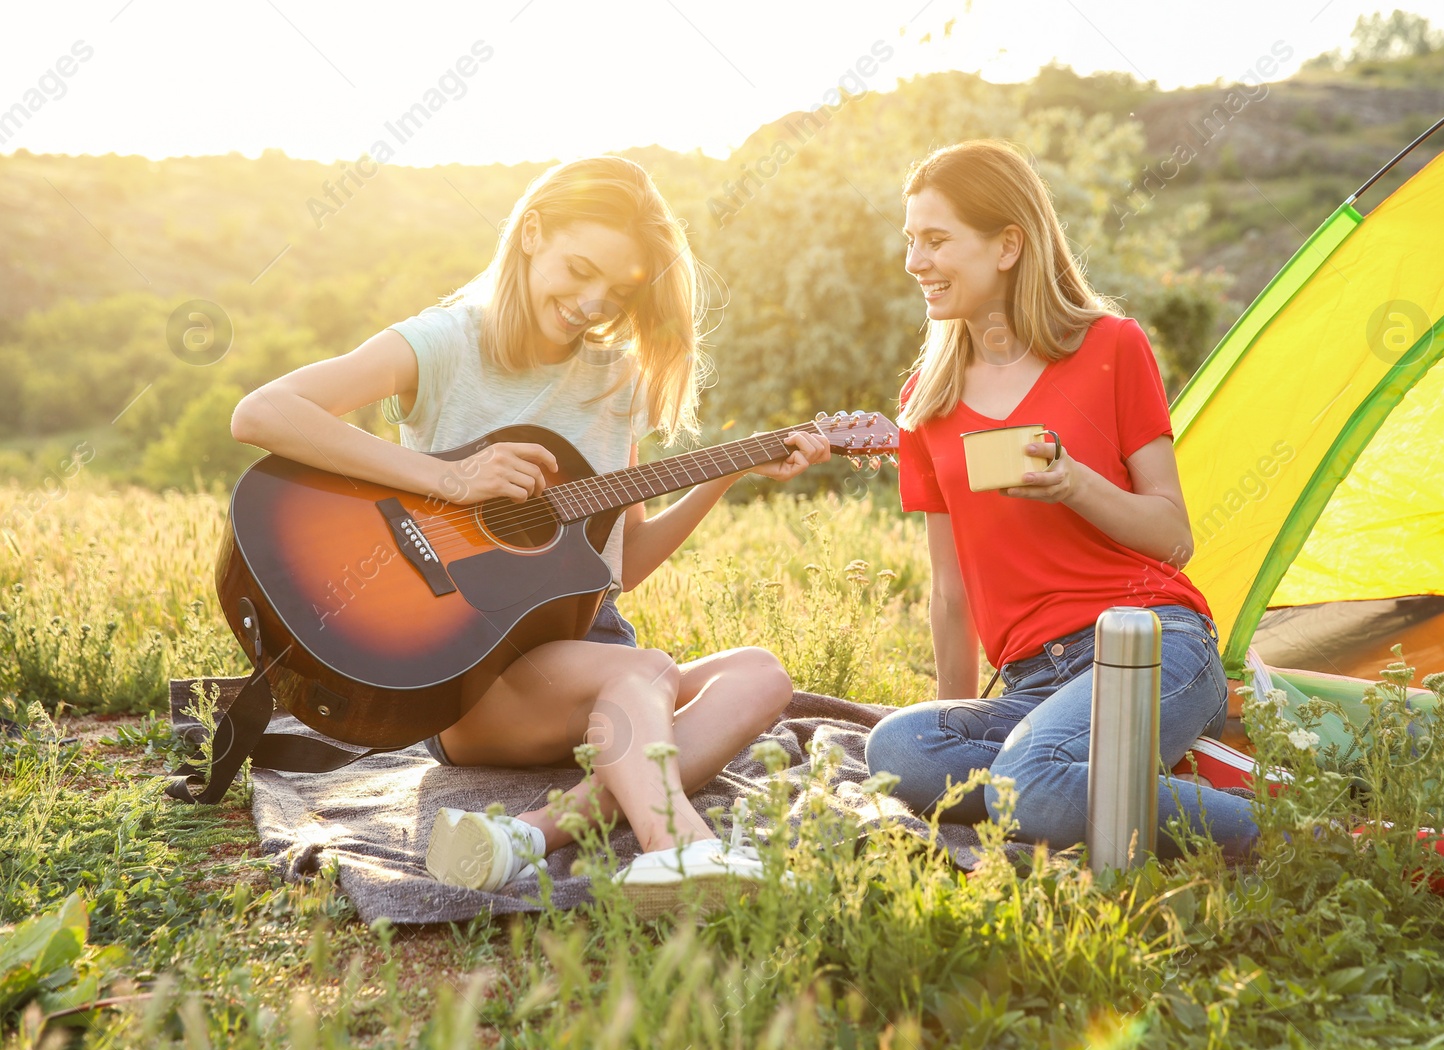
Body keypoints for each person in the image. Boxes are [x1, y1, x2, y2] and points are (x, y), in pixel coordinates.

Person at [232, 156, 831, 910]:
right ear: (533, 233)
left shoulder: (618, 384)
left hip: (592, 663)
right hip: (470, 674)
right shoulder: (445, 344)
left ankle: (529, 836)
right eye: (579, 270)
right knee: (641, 671)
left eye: (617, 291)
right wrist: (451, 479)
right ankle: (676, 850)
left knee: (762, 675)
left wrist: (721, 475)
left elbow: (623, 566)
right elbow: (262, 413)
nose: (591, 303)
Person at [864, 140, 1259, 860]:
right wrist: (947, 717)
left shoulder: (1111, 346)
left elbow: (1174, 536)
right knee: (898, 747)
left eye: (936, 240)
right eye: (910, 241)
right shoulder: (928, 400)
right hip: (1032, 685)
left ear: (1008, 244)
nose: (914, 262)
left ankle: (1293, 830)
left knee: (1026, 781)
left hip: (1152, 645)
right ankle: (1150, 778)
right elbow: (950, 595)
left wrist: (1075, 483)